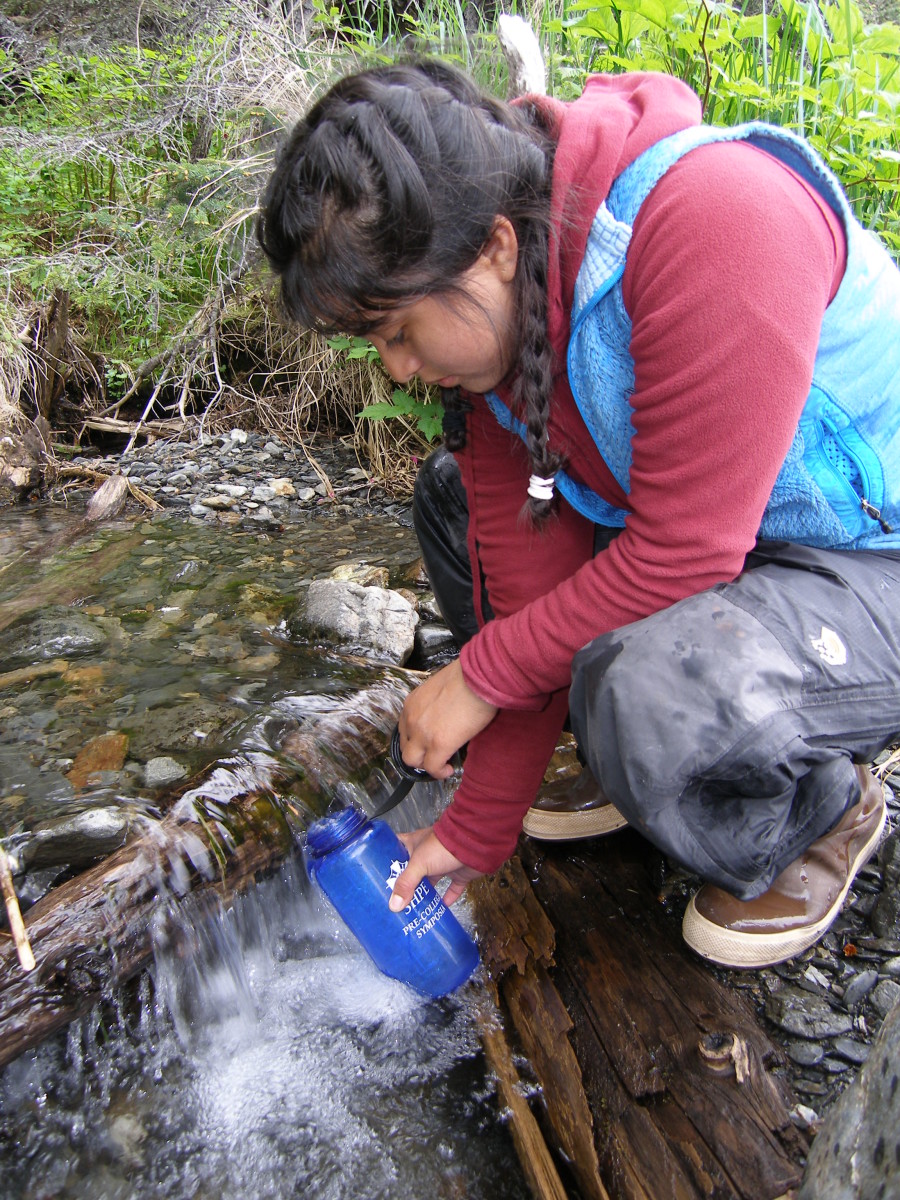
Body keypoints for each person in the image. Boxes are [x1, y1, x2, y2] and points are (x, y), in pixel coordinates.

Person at [257, 58, 900, 969]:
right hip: (747, 553)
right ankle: (628, 757)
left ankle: (819, 812)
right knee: (457, 507)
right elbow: (526, 606)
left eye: (399, 331)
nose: (397, 369)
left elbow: (682, 555)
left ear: (494, 249)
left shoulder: (716, 217)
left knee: (646, 683)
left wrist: (478, 677)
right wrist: (478, 828)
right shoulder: (497, 368)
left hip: (872, 555)